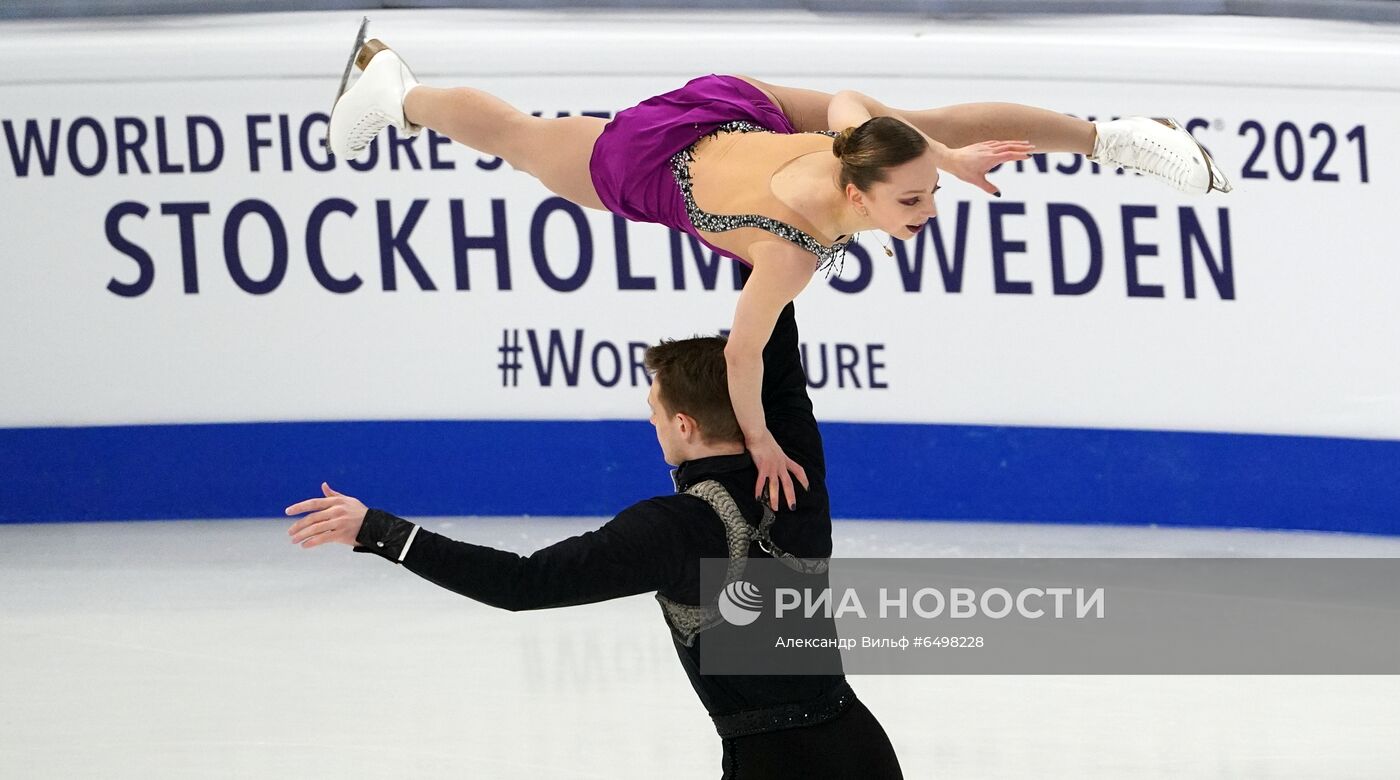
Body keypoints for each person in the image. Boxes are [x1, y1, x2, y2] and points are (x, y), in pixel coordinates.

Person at [326, 26, 1232, 512]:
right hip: (652, 164)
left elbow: (867, 117)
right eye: (911, 203)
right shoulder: (789, 250)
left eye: (924, 198)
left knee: (936, 121)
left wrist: (945, 159)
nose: (925, 217)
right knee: (525, 144)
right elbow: (741, 355)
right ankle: (394, 88)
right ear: (858, 190)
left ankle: (1116, 137)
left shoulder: (852, 139)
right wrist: (759, 440)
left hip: (739, 108)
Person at [284, 301, 904, 779]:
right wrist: (768, 231)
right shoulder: (795, 469)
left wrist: (381, 532)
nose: (653, 422)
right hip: (864, 748)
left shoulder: (673, 528)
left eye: (655, 411)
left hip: (778, 769)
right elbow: (775, 337)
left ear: (684, 424)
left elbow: (524, 584)